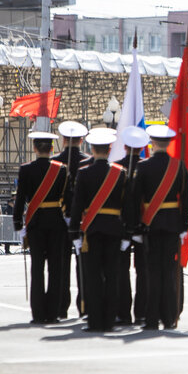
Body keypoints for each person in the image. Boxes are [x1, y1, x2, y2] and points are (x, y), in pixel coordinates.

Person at [129, 124, 188, 331]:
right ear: (169, 143)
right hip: (173, 225)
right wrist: (183, 226)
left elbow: (135, 199)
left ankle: (151, 319)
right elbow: (186, 199)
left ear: (152, 143)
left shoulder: (143, 167)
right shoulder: (179, 166)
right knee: (169, 273)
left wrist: (136, 228)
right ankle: (169, 318)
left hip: (150, 226)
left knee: (152, 273)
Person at [69, 129, 127, 332]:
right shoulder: (120, 173)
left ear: (92, 149)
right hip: (114, 228)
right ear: (110, 149)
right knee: (112, 275)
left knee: (93, 276)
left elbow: (77, 205)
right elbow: (126, 206)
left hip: (91, 230)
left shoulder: (84, 173)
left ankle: (95, 320)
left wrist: (74, 232)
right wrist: (127, 233)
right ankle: (110, 319)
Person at [14, 131, 68, 324]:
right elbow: (67, 199)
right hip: (56, 222)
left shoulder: (26, 169)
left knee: (37, 268)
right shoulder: (61, 169)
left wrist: (18, 224)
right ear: (52, 149)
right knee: (56, 269)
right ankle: (53, 313)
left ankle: (38, 313)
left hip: (35, 223)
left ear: (35, 148)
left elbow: (20, 198)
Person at [53, 120, 91, 319]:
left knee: (60, 265)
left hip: (59, 219)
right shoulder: (88, 161)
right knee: (83, 266)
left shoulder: (55, 162)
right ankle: (83, 307)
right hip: (84, 219)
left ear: (63, 139)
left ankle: (60, 307)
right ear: (82, 140)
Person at [114, 126, 149, 325]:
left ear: (125, 146)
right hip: (144, 225)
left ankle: (123, 313)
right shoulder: (147, 167)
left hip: (121, 225)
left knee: (121, 271)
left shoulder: (116, 168)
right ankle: (142, 312)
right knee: (143, 272)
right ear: (143, 147)